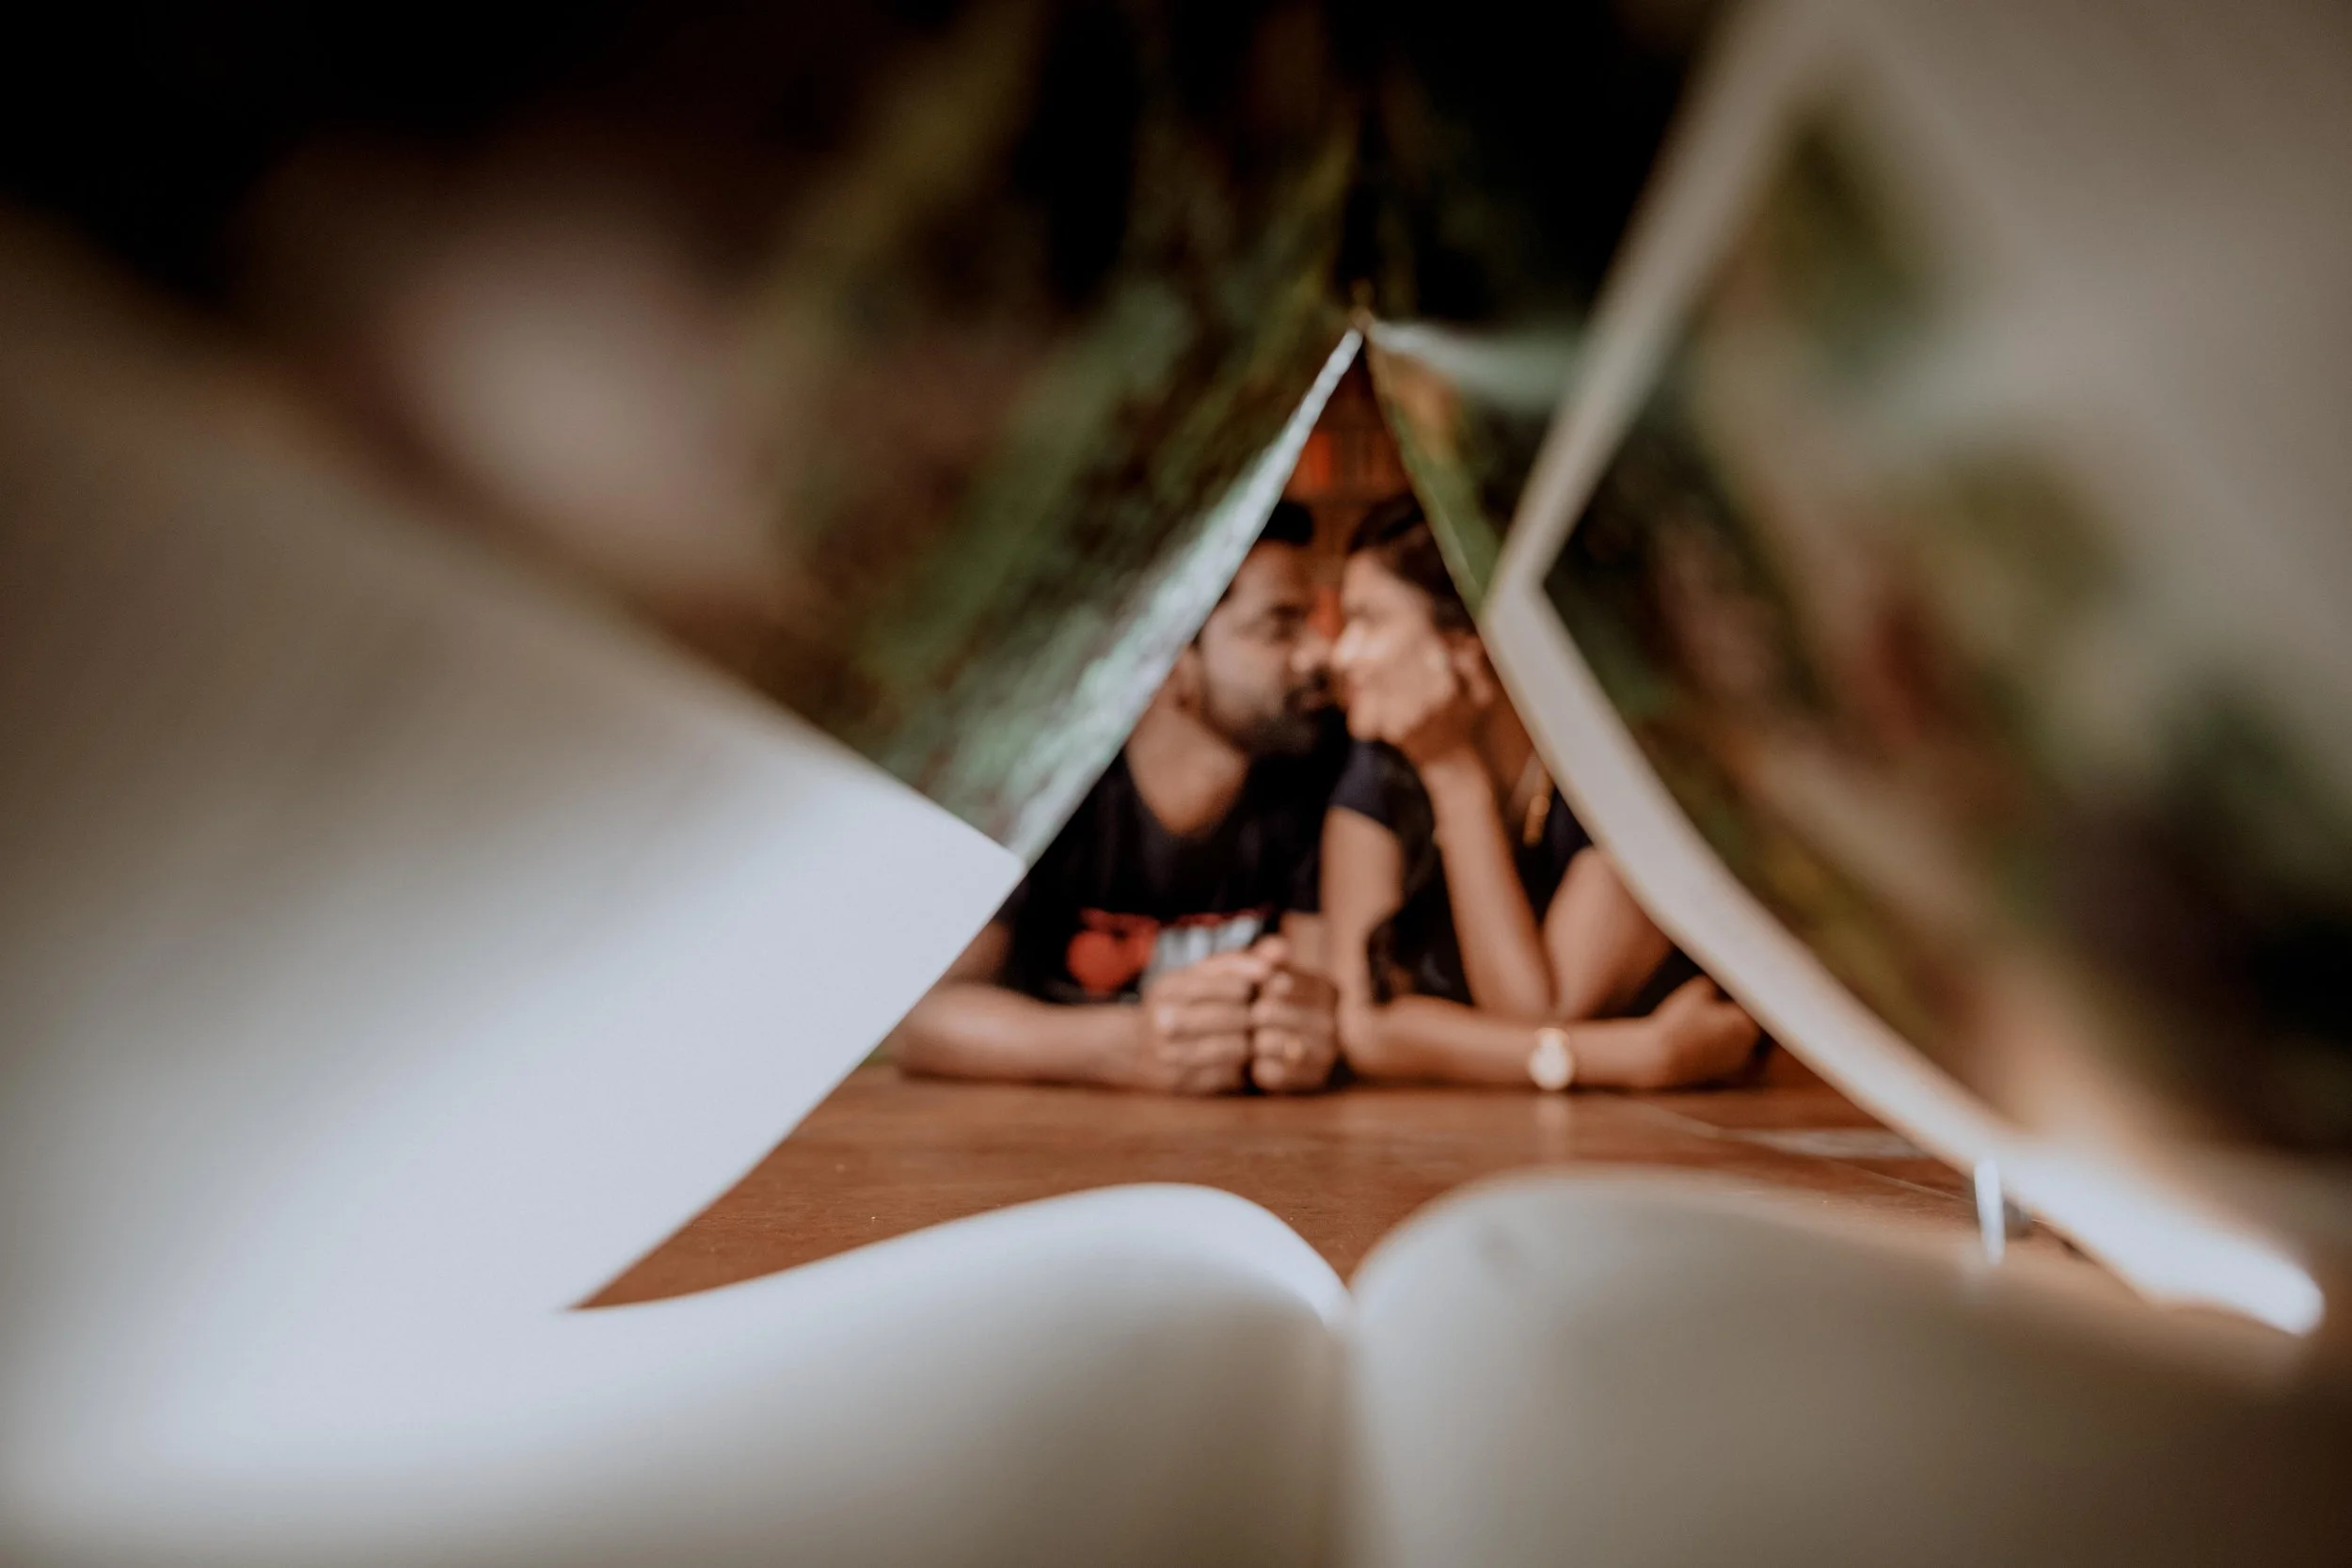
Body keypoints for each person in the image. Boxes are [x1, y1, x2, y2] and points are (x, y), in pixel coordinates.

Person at [893, 501, 1346, 1094]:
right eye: (1278, 627)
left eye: (1312, 622)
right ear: (1174, 654)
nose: (1320, 653)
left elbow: (1321, 992)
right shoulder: (1047, 781)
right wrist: (1121, 1046)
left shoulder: (1318, 766)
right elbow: (924, 1022)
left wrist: (1304, 1031)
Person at [1323, 496, 1760, 1089]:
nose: (1340, 654)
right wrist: (1632, 1056)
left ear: (1469, 642)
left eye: (1369, 621)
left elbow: (1540, 1008)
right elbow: (1363, 1026)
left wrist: (1454, 773)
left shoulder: (1634, 762)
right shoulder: (1384, 760)